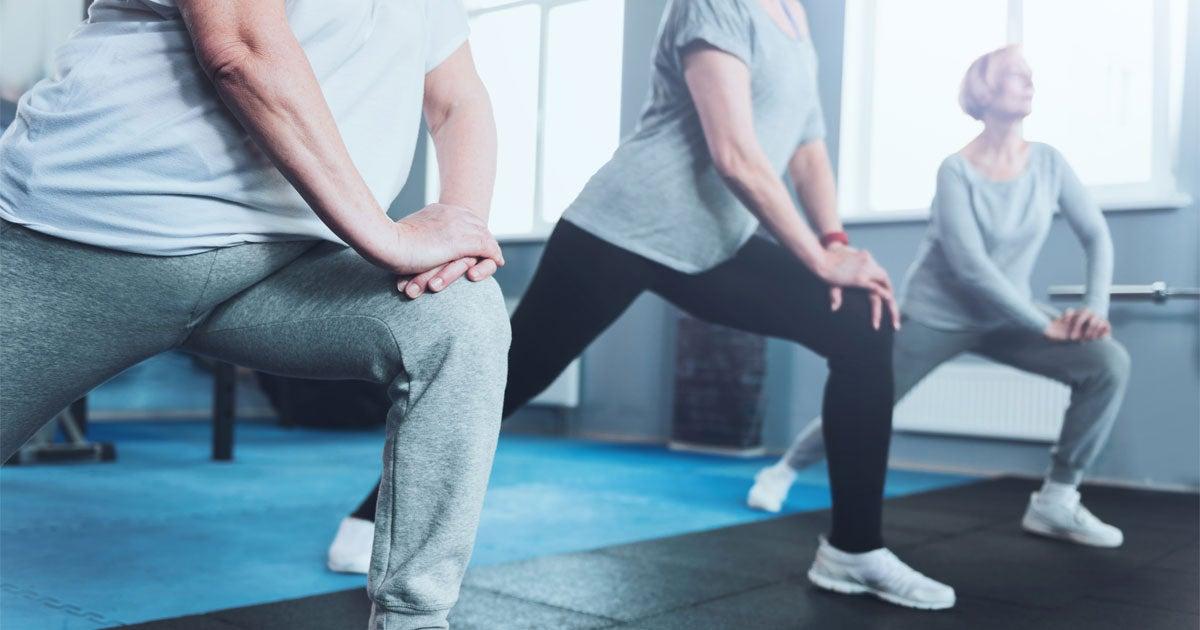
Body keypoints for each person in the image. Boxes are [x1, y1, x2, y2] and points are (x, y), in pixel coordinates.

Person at [330, 0, 955, 611]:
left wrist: (836, 245)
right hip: (622, 227)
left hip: (715, 241)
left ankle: (853, 550)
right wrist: (819, 263)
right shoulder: (716, 5)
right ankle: (372, 515)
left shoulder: (796, 18)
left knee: (863, 325)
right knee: (504, 378)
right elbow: (734, 152)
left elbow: (808, 150)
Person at [0, 1, 511, 628]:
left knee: (457, 315)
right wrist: (389, 238)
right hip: (87, 239)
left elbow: (457, 99)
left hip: (285, 265)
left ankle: (416, 621)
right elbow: (240, 49)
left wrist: (458, 234)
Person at [747, 44, 1130, 549]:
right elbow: (972, 269)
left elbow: (1096, 235)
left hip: (1009, 314)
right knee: (868, 397)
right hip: (937, 315)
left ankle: (1057, 499)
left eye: (1031, 75)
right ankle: (783, 470)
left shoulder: (1049, 164)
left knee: (1106, 362)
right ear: (984, 89)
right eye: (1015, 75)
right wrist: (1043, 323)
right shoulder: (956, 170)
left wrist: (1095, 312)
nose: (1028, 81)